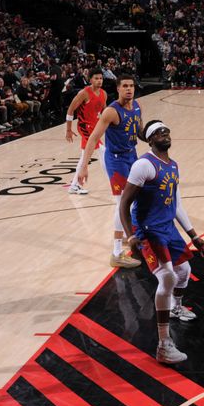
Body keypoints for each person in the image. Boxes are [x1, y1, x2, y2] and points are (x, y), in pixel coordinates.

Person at [119, 120, 204, 364]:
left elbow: (177, 204)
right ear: (150, 140)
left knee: (184, 270)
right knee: (168, 277)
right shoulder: (144, 165)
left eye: (166, 131)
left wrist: (194, 236)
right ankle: (163, 344)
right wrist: (131, 237)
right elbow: (124, 204)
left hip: (168, 228)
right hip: (149, 231)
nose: (165, 134)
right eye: (159, 132)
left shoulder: (173, 166)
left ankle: (175, 307)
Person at [78, 74, 142, 268]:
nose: (129, 89)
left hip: (132, 155)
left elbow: (138, 131)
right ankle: (116, 253)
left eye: (131, 86)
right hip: (116, 161)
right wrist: (84, 166)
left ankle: (126, 234)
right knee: (122, 203)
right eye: (125, 86)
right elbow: (93, 137)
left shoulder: (137, 106)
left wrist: (155, 135)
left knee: (137, 198)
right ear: (118, 89)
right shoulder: (111, 111)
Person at [65, 68, 107, 194]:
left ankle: (74, 185)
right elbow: (70, 110)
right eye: (96, 78)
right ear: (90, 80)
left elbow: (104, 112)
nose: (99, 81)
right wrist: (68, 129)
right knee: (102, 151)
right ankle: (113, 180)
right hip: (84, 126)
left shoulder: (103, 94)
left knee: (85, 156)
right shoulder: (84, 93)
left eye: (101, 78)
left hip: (94, 126)